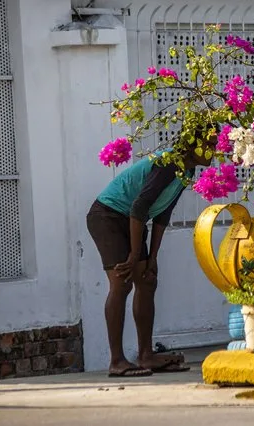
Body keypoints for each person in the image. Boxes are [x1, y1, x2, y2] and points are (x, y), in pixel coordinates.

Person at [86, 126, 217, 377]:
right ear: (191, 143)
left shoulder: (187, 170)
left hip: (134, 219)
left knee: (147, 282)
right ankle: (116, 361)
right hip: (108, 216)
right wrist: (135, 256)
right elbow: (139, 206)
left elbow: (162, 214)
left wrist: (152, 258)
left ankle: (146, 355)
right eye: (208, 144)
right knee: (122, 283)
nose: (213, 150)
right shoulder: (169, 163)